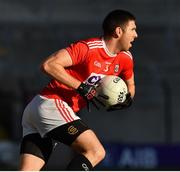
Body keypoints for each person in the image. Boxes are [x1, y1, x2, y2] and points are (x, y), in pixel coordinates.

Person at [19, 9, 138, 171]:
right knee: (96, 151)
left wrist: (127, 100)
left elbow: (130, 84)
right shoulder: (88, 48)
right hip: (52, 104)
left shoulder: (126, 58)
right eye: (133, 29)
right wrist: (81, 87)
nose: (136, 35)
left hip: (38, 110)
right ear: (118, 31)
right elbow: (48, 65)